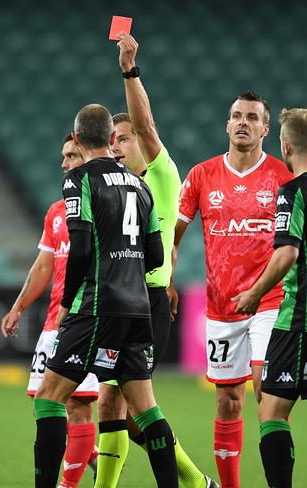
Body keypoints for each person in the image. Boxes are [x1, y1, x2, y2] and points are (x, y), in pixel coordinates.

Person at [33, 103, 178, 488]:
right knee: (146, 409)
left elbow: (79, 248)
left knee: (48, 398)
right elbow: (156, 256)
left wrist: (66, 303)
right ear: (112, 139)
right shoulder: (140, 184)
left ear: (77, 140)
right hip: (139, 308)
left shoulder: (78, 179)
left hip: (97, 305)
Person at [96, 33, 218, 488]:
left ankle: (189, 482)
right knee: (113, 407)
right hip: (122, 300)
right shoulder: (116, 188)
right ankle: (193, 481)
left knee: (139, 407)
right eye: (112, 141)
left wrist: (129, 70)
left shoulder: (163, 175)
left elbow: (146, 127)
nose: (118, 146)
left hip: (145, 303)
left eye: (123, 139)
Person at [172, 91, 293, 488]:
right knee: (227, 402)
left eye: (252, 117)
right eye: (236, 116)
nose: (243, 122)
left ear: (265, 128)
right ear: (227, 125)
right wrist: (167, 280)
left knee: (265, 390)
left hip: (269, 300)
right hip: (221, 306)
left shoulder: (282, 177)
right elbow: (173, 237)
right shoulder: (202, 175)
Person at [2, 134, 99, 488]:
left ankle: (68, 484)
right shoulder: (57, 212)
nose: (64, 163)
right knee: (46, 405)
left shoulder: (102, 203)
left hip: (85, 318)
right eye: (63, 156)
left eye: (71, 155)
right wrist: (18, 307)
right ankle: (93, 459)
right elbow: (43, 266)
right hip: (54, 321)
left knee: (78, 406)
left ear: (87, 155)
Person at [232, 108, 307, 488]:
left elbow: (287, 253)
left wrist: (255, 293)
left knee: (273, 411)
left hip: (298, 319)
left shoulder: (293, 192)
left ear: (285, 145)